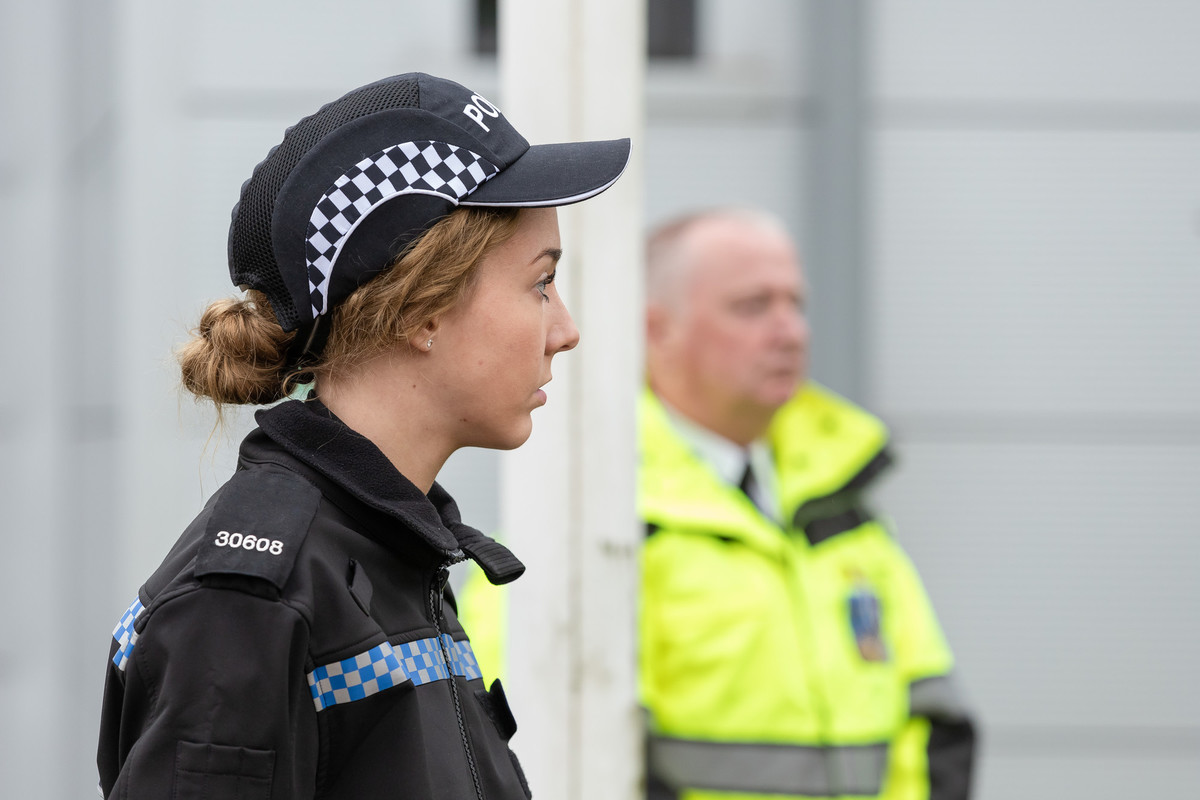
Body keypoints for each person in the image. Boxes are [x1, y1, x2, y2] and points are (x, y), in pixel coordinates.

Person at [95, 71, 629, 800]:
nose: (565, 332)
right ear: (421, 309)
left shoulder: (390, 553)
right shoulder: (254, 602)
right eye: (539, 284)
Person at [639, 208, 976, 800]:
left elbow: (932, 719)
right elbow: (561, 746)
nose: (791, 331)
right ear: (656, 329)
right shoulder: (604, 519)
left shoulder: (839, 498)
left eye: (796, 304)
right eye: (753, 306)